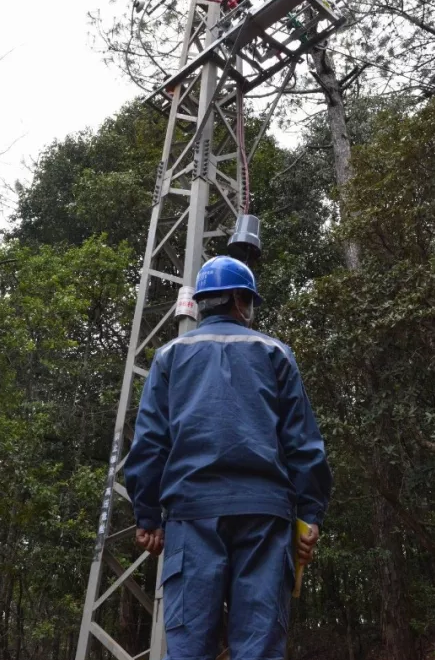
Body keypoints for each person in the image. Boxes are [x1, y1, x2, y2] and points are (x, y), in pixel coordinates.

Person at [124, 255, 333, 660]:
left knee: (188, 648)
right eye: (250, 302)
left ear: (204, 303)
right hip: (265, 519)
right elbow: (304, 444)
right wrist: (309, 518)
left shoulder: (170, 356)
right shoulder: (276, 353)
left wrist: (147, 517)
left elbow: (150, 442)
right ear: (240, 300)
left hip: (192, 514)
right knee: (258, 647)